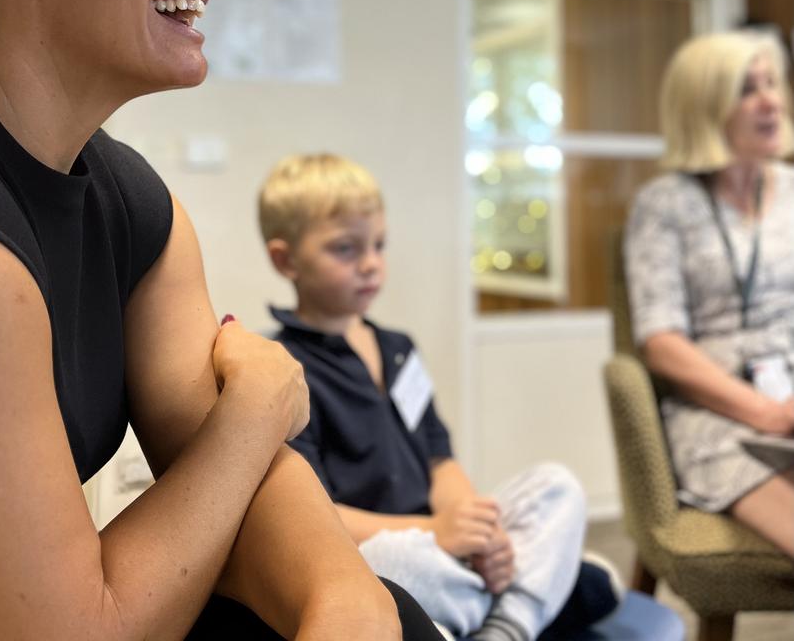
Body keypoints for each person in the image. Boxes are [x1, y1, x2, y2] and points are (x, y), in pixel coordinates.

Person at [0, 0, 444, 641]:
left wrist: (351, 603)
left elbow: (251, 501)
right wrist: (258, 407)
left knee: (392, 613)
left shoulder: (135, 204)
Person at [258, 154, 623, 641]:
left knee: (556, 488)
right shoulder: (283, 369)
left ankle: (500, 621)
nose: (370, 264)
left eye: (379, 245)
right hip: (377, 552)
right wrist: (436, 534)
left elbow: (440, 461)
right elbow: (314, 520)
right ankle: (536, 594)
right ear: (286, 261)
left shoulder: (399, 349)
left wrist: (479, 534)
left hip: (442, 543)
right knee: (392, 564)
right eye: (345, 249)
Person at [624, 30, 794, 558]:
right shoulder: (664, 204)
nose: (771, 101)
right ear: (704, 105)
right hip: (717, 413)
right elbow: (661, 343)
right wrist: (767, 414)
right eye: (747, 89)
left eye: (771, 83)